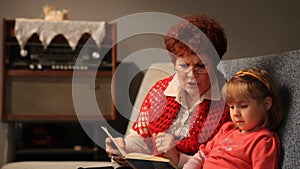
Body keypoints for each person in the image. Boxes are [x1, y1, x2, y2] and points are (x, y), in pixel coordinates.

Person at [106, 14, 230, 168]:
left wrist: (177, 157)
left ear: (214, 64)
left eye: (201, 66)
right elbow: (141, 139)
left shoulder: (230, 100)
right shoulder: (160, 91)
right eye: (184, 65)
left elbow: (226, 159)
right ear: (174, 63)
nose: (191, 75)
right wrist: (124, 147)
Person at [183, 68, 284, 169]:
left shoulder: (263, 140)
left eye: (243, 106)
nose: (235, 113)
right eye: (231, 106)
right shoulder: (227, 129)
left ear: (266, 104)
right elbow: (203, 154)